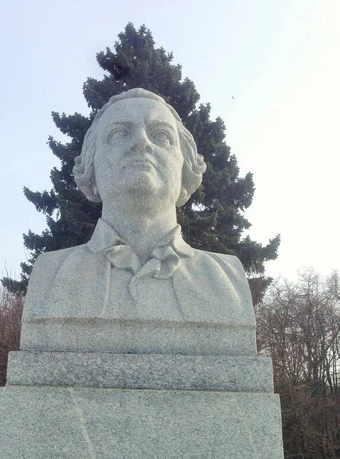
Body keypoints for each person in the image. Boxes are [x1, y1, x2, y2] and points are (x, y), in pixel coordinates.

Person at [21, 89, 255, 351]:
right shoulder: (50, 275)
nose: (141, 142)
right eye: (119, 133)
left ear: (185, 168)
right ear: (91, 168)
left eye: (161, 135)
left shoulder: (227, 279)